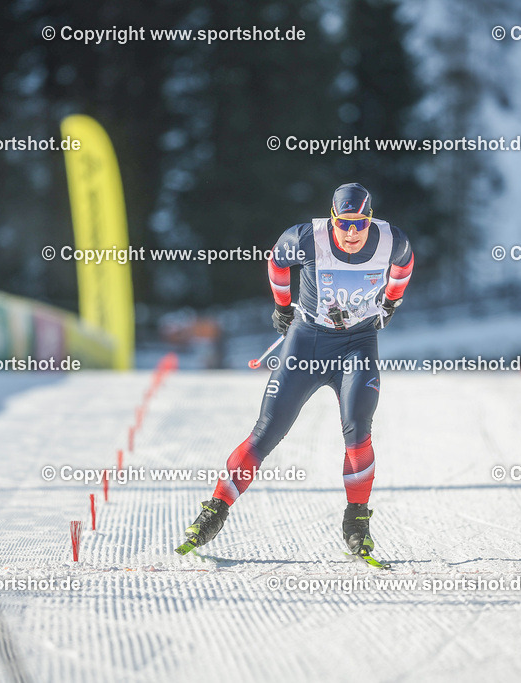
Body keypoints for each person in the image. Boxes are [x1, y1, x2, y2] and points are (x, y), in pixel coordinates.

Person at [176, 183, 414, 560]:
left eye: (360, 223)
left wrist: (391, 303)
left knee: (357, 429)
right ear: (333, 218)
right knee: (266, 432)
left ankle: (356, 522)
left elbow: (404, 264)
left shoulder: (390, 240)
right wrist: (283, 306)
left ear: (370, 218)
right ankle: (214, 511)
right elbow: (276, 262)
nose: (352, 233)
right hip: (307, 344)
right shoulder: (306, 238)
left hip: (357, 344)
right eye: (345, 223)